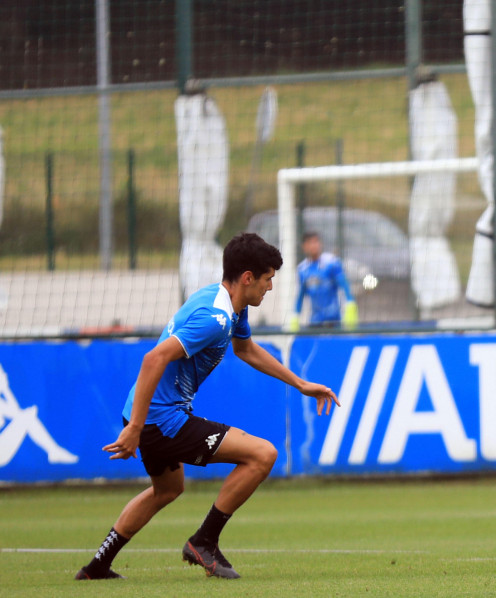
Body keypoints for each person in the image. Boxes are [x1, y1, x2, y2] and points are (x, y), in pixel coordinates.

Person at [75, 233, 339, 581]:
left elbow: (244, 349)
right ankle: (204, 541)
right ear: (247, 278)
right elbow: (153, 359)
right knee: (262, 455)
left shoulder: (229, 304)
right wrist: (136, 428)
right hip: (159, 420)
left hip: (151, 415)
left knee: (168, 490)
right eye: (268, 279)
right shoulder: (214, 319)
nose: (270, 288)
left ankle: (96, 566)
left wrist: (301, 383)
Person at [291, 231, 357, 330]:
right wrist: (295, 315)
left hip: (334, 321)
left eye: (316, 242)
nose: (314, 245)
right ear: (304, 246)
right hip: (315, 321)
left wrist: (350, 304)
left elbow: (344, 285)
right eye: (310, 242)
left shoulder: (332, 263)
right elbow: (301, 295)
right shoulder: (302, 269)